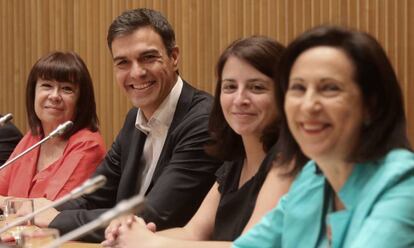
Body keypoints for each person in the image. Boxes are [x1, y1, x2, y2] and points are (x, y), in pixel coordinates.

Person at [34, 8, 221, 242]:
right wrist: (38, 216)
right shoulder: (134, 119)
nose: (137, 73)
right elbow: (94, 194)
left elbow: (154, 215)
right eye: (123, 62)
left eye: (148, 58)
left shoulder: (203, 121)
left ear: (174, 57)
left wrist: (54, 220)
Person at [102, 36, 302, 248]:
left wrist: (152, 244)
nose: (239, 99)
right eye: (230, 87)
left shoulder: (288, 160)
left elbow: (251, 246)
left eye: (257, 88)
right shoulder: (234, 161)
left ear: (284, 95)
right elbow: (192, 233)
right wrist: (129, 236)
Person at [232, 26, 414, 248]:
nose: (309, 105)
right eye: (298, 88)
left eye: (330, 88)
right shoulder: (312, 179)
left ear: (371, 105)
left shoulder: (403, 183)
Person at [0, 51, 106, 201]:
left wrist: (5, 203)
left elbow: (50, 209)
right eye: (47, 86)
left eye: (66, 88)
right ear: (33, 94)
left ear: (80, 102)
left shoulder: (88, 145)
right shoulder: (34, 137)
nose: (55, 96)